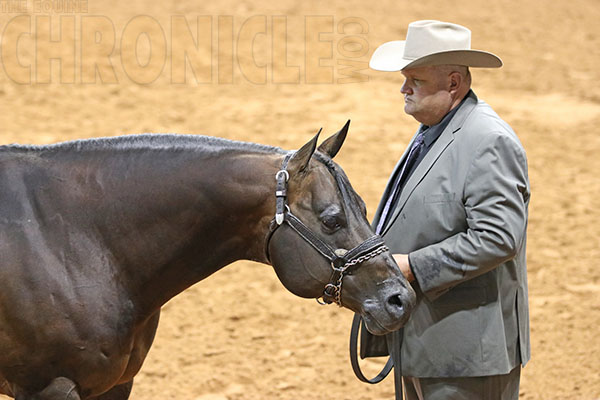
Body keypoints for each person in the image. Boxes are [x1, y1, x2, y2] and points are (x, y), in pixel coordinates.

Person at [367, 20, 531, 399]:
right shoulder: (435, 128)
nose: (404, 88)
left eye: (416, 80)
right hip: (429, 342)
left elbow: (498, 238)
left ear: (453, 83)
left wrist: (412, 267)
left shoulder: (488, 141)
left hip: (467, 353)